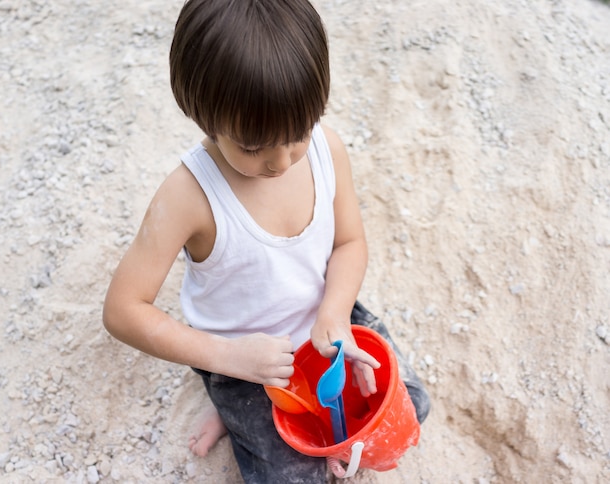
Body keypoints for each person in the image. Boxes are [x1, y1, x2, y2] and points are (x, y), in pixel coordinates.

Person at [103, 0, 429, 482]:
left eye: (297, 133)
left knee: (412, 405)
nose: (281, 161)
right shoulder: (189, 196)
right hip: (245, 358)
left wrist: (336, 313)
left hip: (325, 322)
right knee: (294, 476)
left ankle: (246, 412)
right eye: (254, 147)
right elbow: (123, 310)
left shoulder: (325, 149)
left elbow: (349, 244)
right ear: (202, 116)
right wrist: (229, 360)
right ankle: (227, 406)